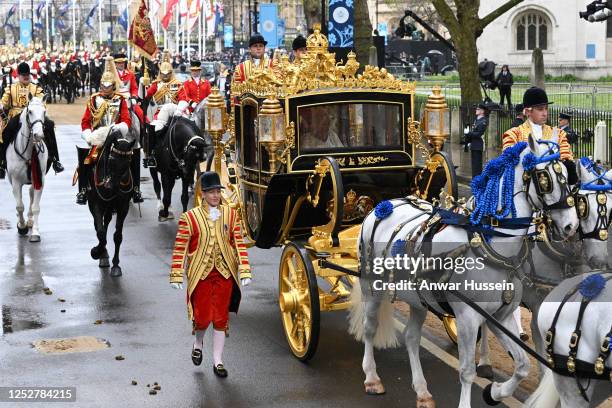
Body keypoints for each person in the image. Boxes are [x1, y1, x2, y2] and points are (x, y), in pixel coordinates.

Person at [170, 171, 252, 377]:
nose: (215, 195)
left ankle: (218, 361)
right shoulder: (189, 217)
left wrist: (244, 269)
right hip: (201, 274)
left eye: (217, 191)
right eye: (211, 192)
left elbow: (239, 243)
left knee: (221, 318)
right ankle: (198, 343)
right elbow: (180, 248)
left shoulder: (231, 215)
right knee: (203, 317)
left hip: (224, 274)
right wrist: (177, 274)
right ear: (203, 193)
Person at [77, 57, 132, 205]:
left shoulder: (120, 100)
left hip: (115, 135)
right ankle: (82, 189)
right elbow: (86, 121)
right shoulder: (94, 100)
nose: (105, 88)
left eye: (108, 86)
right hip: (98, 138)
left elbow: (126, 120)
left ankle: (132, 187)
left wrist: (120, 127)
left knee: (129, 155)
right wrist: (88, 134)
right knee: (86, 157)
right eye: (103, 85)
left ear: (113, 86)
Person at [0, 61, 64, 179]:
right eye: (23, 75)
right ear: (18, 76)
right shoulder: (11, 88)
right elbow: (3, 103)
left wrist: (40, 111)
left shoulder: (35, 88)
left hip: (34, 116)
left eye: (27, 74)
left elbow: (42, 102)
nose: (25, 77)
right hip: (16, 116)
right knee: (6, 132)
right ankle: (2, 163)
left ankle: (56, 160)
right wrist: (2, 106)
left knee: (49, 126)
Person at [502, 87, 576, 184]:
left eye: (546, 109)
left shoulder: (559, 134)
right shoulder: (513, 134)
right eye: (540, 109)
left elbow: (567, 159)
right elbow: (508, 164)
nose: (545, 113)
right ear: (528, 111)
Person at [143, 56, 183, 167]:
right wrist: (144, 86)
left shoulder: (178, 84)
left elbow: (183, 99)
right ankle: (151, 155)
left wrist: (180, 110)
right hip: (159, 113)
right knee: (152, 130)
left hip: (176, 112)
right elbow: (146, 95)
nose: (165, 76)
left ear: (171, 73)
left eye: (167, 73)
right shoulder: (156, 84)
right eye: (163, 73)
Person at [464, 103, 489, 178]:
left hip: (478, 145)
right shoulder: (477, 120)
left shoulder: (483, 121)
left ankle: (477, 180)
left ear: (482, 111)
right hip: (474, 145)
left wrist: (469, 133)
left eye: (478, 109)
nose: (476, 110)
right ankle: (474, 179)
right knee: (474, 165)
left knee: (477, 165)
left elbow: (478, 134)